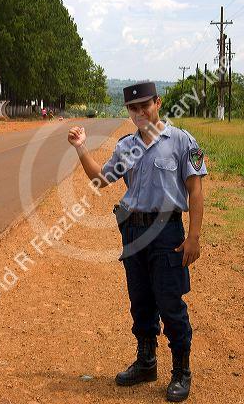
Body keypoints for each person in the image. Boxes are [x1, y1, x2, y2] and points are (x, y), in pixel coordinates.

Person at [67, 82, 207, 402]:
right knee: (141, 302)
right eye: (133, 108)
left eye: (145, 105)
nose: (140, 113)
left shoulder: (183, 142)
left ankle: (181, 371)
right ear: (128, 112)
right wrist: (80, 147)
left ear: (158, 103)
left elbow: (196, 191)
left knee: (170, 304)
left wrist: (194, 238)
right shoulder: (126, 147)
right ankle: (146, 362)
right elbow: (101, 180)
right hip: (133, 233)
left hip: (167, 233)